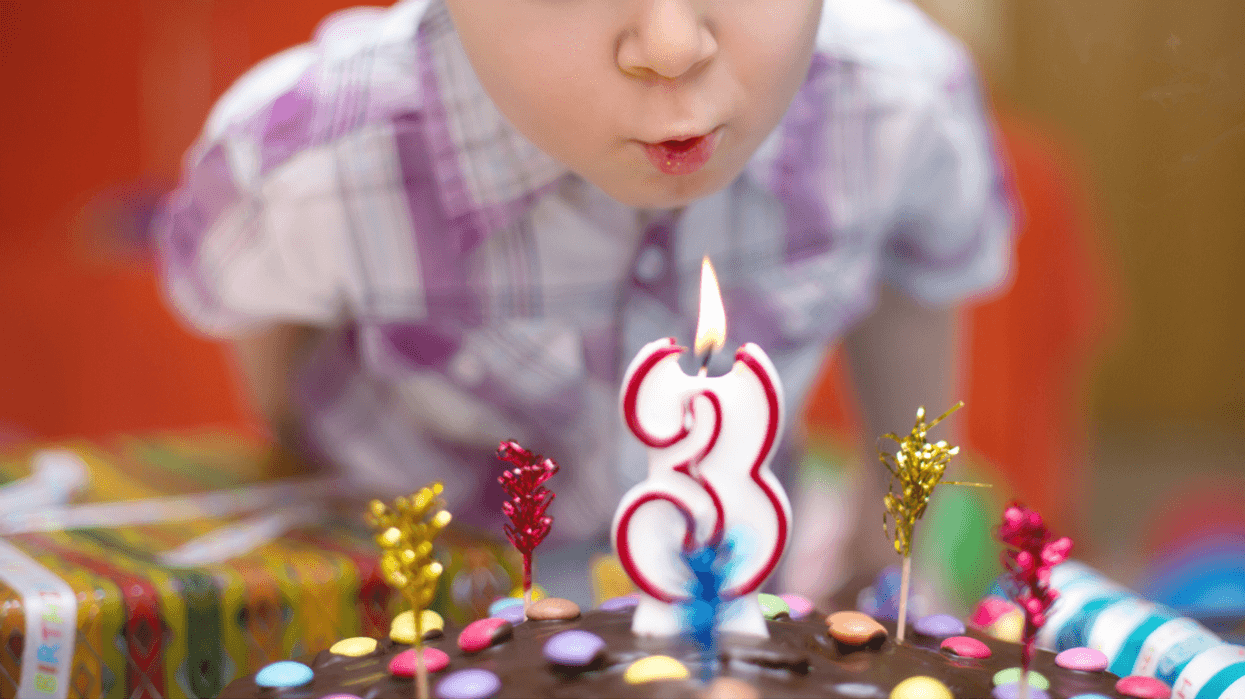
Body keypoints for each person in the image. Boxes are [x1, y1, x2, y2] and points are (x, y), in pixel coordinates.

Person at [154, 0, 1015, 609]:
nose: (672, 44)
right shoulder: (308, 163)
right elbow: (262, 340)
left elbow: (915, 286)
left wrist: (883, 541)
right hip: (425, 616)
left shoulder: (899, 105)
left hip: (736, 611)